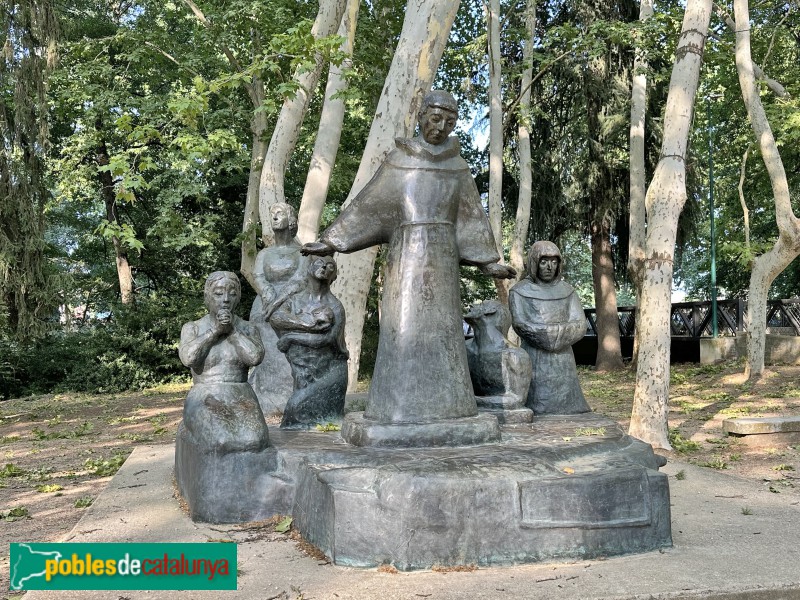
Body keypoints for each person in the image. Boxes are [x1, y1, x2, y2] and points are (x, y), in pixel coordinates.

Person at [303, 90, 515, 434]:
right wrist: (330, 243)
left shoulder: (457, 166)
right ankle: (396, 407)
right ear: (420, 116)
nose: (440, 127)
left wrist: (488, 262)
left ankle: (453, 407)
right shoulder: (398, 161)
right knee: (404, 328)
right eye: (435, 118)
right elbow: (368, 207)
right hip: (406, 260)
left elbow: (471, 219)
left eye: (449, 122)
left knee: (446, 331)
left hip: (444, 264)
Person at [178, 271, 269, 452]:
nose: (226, 299)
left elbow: (255, 357)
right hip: (205, 394)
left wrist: (233, 332)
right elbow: (189, 358)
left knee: (255, 440)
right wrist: (216, 331)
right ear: (207, 296)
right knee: (221, 440)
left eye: (232, 293)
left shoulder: (248, 328)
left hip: (240, 393)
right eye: (219, 293)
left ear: (239, 297)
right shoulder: (193, 328)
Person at [509, 241, 591, 415]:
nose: (549, 267)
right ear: (534, 262)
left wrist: (554, 335)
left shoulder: (568, 291)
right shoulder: (519, 291)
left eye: (554, 262)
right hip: (534, 357)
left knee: (569, 409)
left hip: (564, 359)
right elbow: (520, 323)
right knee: (536, 406)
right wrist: (548, 335)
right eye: (544, 261)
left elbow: (580, 324)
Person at [270, 256, 348, 428]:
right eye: (320, 262)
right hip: (302, 369)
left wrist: (291, 337)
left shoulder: (336, 306)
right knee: (297, 420)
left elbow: (327, 339)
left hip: (329, 372)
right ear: (308, 268)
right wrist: (306, 324)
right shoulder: (295, 300)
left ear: (334, 275)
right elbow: (276, 317)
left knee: (295, 411)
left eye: (330, 266)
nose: (325, 267)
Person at [248, 202, 307, 417]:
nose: (274, 217)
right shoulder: (265, 254)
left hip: (293, 301)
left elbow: (301, 280)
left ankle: (294, 393)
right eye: (272, 214)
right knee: (259, 324)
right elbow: (258, 277)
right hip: (265, 302)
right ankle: (265, 393)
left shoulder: (302, 252)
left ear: (291, 219)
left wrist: (278, 299)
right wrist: (267, 294)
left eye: (279, 213)